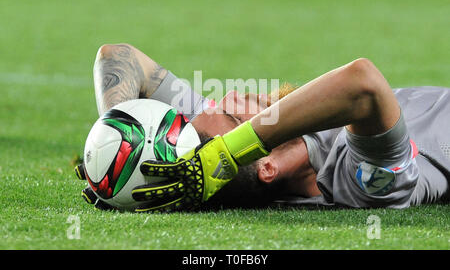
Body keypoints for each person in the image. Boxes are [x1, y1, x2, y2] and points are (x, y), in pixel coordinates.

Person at [77, 43, 450, 211]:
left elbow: (119, 56)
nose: (234, 94)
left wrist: (120, 131)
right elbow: (362, 84)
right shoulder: (359, 181)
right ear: (267, 165)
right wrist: (231, 150)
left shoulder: (212, 140)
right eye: (237, 118)